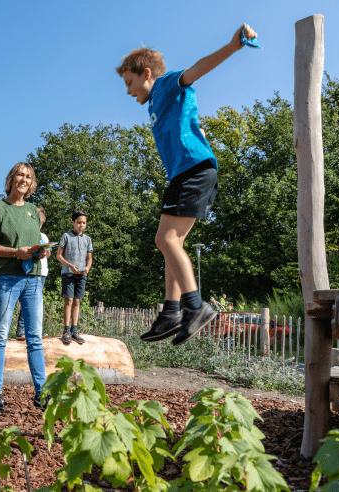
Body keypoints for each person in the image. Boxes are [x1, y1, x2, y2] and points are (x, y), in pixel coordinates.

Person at [116, 24, 257, 345]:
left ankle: (196, 306)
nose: (127, 91)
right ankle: (171, 312)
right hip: (188, 172)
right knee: (171, 244)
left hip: (191, 171)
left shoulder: (166, 85)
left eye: (130, 82)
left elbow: (196, 70)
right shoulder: (156, 103)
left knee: (165, 240)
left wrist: (232, 46)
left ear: (147, 73)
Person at [0, 162, 48, 412]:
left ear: (32, 184)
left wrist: (39, 253)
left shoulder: (32, 210)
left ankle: (41, 393)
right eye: (20, 174)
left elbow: (31, 245)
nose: (24, 178)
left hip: (33, 280)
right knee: (0, 337)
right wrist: (14, 253)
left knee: (35, 339)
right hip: (6, 279)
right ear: (11, 178)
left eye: (29, 176)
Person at [55, 210, 93, 345]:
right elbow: (58, 256)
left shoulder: (87, 239)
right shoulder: (66, 236)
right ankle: (66, 330)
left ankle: (74, 330)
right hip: (68, 273)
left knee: (77, 301)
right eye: (78, 223)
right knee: (69, 300)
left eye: (84, 223)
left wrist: (87, 268)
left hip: (81, 274)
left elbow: (89, 258)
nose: (81, 225)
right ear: (73, 222)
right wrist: (70, 266)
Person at [15, 206, 50, 340]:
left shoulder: (43, 236)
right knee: (27, 301)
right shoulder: (25, 235)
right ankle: (21, 330)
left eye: (40, 223)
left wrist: (44, 252)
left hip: (42, 272)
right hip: (30, 271)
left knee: (37, 302)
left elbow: (49, 254)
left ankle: (35, 330)